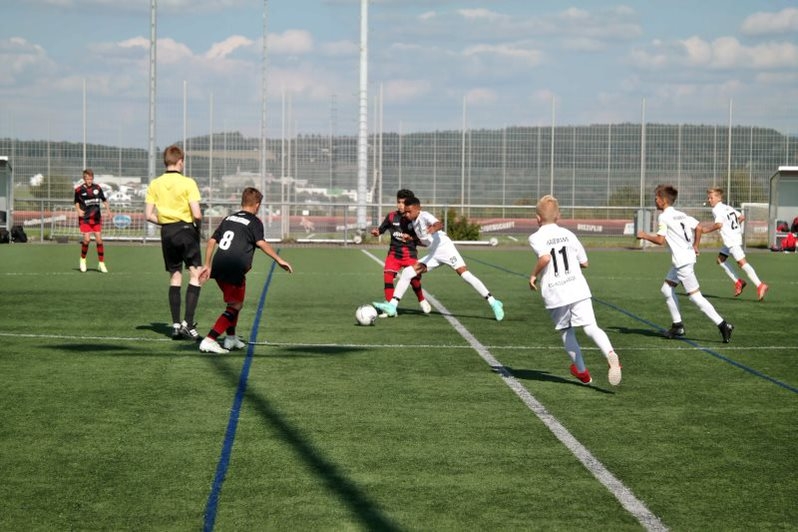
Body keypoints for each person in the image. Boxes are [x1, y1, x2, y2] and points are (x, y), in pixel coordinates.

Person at [528, 195, 621, 385]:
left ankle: (582, 371)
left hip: (555, 291)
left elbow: (545, 258)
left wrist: (533, 275)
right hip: (578, 288)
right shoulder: (569, 234)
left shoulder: (535, 237)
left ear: (537, 218)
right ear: (558, 216)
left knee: (566, 331)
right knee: (591, 327)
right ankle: (610, 353)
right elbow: (584, 262)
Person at [373, 196, 504, 321]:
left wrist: (433, 228)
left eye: (409, 212)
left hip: (445, 248)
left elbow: (439, 224)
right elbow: (424, 239)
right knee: (408, 272)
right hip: (434, 253)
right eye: (405, 212)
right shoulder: (413, 221)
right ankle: (392, 306)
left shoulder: (424, 215)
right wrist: (411, 238)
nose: (406, 214)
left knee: (465, 274)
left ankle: (494, 302)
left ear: (418, 209)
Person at [197, 187, 293, 354]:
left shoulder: (229, 218)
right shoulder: (255, 222)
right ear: (257, 205)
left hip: (218, 265)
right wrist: (279, 260)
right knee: (236, 305)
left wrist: (207, 264)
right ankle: (210, 340)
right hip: (234, 267)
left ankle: (231, 338)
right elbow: (261, 242)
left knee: (233, 303)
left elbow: (212, 241)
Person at [637, 184, 734, 343]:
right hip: (684, 259)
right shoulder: (681, 214)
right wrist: (695, 245)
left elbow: (660, 240)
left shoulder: (664, 217)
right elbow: (699, 227)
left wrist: (644, 235)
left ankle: (723, 325)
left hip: (682, 262)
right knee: (666, 289)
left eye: (656, 198)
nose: (655, 200)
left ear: (663, 200)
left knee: (695, 297)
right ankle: (677, 326)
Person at [145, 145, 204, 341]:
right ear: (180, 161)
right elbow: (197, 214)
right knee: (196, 274)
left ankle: (176, 326)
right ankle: (188, 323)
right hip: (186, 230)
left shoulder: (155, 183)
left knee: (175, 277)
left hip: (167, 232)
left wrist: (166, 222)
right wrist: (197, 227)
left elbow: (148, 215)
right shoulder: (188, 183)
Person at [370, 189, 430, 316]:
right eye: (398, 202)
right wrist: (377, 232)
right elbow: (381, 229)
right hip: (394, 254)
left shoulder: (415, 219)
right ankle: (389, 307)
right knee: (387, 276)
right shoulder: (391, 216)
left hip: (410, 254)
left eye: (403, 203)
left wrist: (412, 238)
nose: (400, 205)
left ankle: (421, 299)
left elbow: (422, 238)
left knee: (414, 279)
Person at [702, 187, 768, 300]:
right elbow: (741, 217)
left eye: (711, 198)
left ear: (718, 198)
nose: (709, 200)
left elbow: (718, 225)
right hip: (732, 238)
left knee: (742, 263)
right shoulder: (727, 207)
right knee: (720, 260)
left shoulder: (716, 209)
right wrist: (734, 228)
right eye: (708, 198)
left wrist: (705, 230)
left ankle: (760, 285)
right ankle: (738, 282)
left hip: (731, 240)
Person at [74, 168, 111, 273]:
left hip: (96, 218)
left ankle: (101, 263)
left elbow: (104, 200)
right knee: (87, 240)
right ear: (84, 179)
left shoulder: (97, 188)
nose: (89, 181)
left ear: (93, 178)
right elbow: (76, 202)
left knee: (99, 240)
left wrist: (108, 210)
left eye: (91, 179)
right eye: (87, 179)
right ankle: (83, 260)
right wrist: (78, 210)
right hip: (85, 218)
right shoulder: (79, 190)